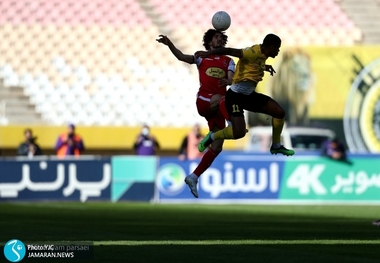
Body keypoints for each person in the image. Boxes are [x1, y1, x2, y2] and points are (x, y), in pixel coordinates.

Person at [157, 29, 235, 198]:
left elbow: (231, 79)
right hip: (205, 100)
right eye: (216, 37)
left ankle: (194, 176)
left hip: (219, 106)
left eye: (222, 38)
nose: (219, 39)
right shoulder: (201, 57)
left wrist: (229, 80)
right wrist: (169, 43)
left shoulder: (229, 61)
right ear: (209, 42)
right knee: (224, 99)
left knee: (217, 147)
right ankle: (231, 122)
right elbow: (181, 57)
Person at [195, 34, 295, 157]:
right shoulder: (252, 52)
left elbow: (253, 64)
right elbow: (230, 50)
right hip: (235, 97)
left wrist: (264, 67)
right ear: (271, 47)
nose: (278, 51)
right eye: (277, 48)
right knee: (238, 133)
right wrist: (208, 54)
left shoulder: (262, 55)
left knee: (279, 112)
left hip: (249, 96)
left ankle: (276, 146)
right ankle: (212, 136)